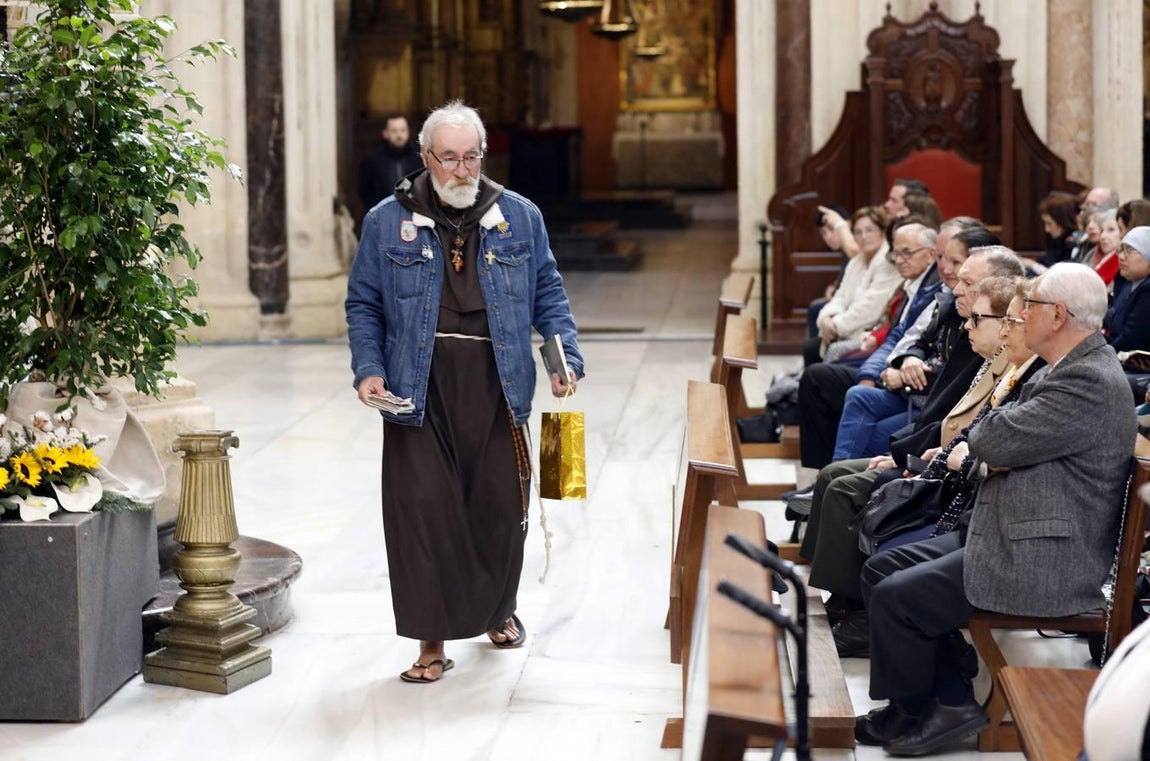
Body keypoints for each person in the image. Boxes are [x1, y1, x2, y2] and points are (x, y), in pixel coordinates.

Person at [345, 101, 584, 684]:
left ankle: (498, 610)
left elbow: (548, 293)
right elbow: (364, 303)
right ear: (425, 157)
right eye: (448, 157)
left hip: (498, 383)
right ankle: (431, 641)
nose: (460, 169)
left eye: (470, 156)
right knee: (424, 515)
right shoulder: (386, 219)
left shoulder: (520, 217)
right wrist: (368, 367)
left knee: (503, 509)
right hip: (417, 389)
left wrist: (563, 358)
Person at [855, 262, 1136, 756]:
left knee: (900, 598)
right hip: (1016, 530)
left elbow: (991, 437)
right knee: (883, 567)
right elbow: (992, 432)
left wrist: (990, 447)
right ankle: (937, 698)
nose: (1020, 315)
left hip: (1046, 558)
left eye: (1030, 306)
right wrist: (990, 446)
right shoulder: (1066, 369)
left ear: (1057, 315)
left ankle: (934, 705)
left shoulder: (1085, 380)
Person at [805, 206, 901, 366]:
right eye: (858, 232)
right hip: (847, 329)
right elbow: (840, 297)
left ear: (882, 231)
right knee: (811, 348)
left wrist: (836, 325)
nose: (864, 236)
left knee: (815, 359)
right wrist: (826, 319)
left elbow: (869, 309)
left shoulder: (887, 262)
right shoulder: (857, 261)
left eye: (870, 230)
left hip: (869, 332)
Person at [357, 113, 424, 217]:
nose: (399, 135)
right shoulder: (373, 159)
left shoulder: (418, 159)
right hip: (381, 215)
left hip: (413, 214)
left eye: (403, 130)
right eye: (394, 131)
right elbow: (364, 190)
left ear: (408, 132)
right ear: (385, 133)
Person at [1037, 191, 1078, 267]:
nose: (1047, 230)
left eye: (1049, 224)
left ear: (1062, 221)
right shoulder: (1059, 240)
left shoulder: (1072, 244)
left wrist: (1033, 265)